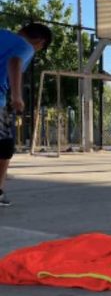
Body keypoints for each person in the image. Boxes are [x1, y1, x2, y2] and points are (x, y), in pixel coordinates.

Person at [0, 23, 52, 207]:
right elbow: (14, 62)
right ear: (40, 41)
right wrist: (16, 96)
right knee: (5, 148)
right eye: (40, 49)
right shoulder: (25, 46)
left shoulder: (3, 34)